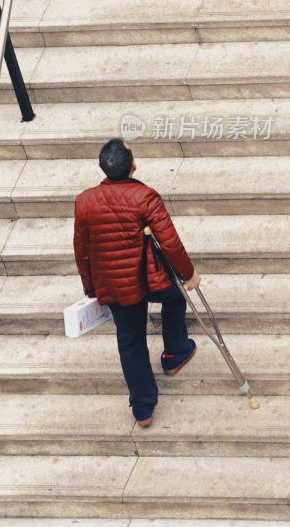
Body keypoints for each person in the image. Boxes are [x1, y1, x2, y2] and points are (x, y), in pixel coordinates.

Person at [73, 138, 201, 428]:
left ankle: (143, 409)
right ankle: (174, 352)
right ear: (133, 165)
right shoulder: (145, 197)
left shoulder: (85, 201)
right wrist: (189, 274)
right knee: (175, 298)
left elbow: (81, 251)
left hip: (114, 285)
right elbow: (170, 242)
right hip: (148, 278)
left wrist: (90, 287)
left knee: (130, 340)